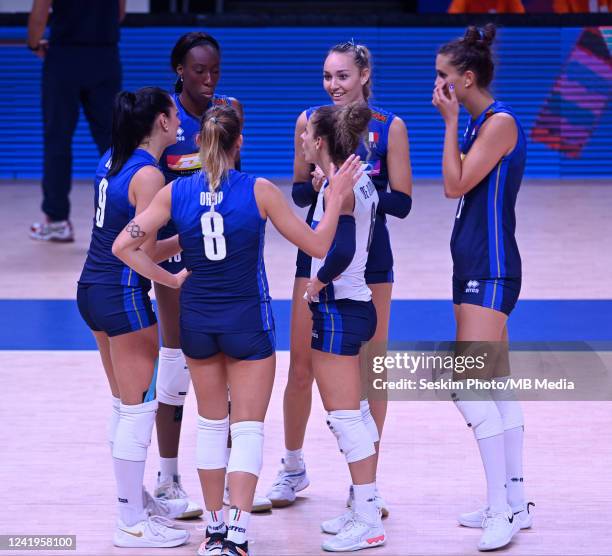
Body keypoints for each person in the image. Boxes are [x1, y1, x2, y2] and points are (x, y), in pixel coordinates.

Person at [112, 104, 362, 556]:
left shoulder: (175, 193)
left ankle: (212, 532)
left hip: (198, 325)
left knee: (211, 426)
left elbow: (122, 245)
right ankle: (239, 535)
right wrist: (338, 197)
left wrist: (168, 278)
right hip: (247, 323)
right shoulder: (260, 190)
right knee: (247, 429)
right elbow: (320, 244)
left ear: (200, 146)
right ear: (238, 143)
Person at [267, 41, 413, 526]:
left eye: (343, 76)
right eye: (328, 76)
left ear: (364, 75)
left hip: (372, 260)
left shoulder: (389, 127)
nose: (334, 85)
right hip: (319, 252)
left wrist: (355, 187)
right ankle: (292, 467)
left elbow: (404, 202)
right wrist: (320, 185)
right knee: (301, 365)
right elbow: (297, 191)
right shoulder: (309, 121)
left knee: (371, 369)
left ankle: (363, 485)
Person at [152, 30, 271, 519]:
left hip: (220, 263)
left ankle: (224, 483)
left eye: (214, 70)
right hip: (178, 262)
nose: (208, 79)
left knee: (223, 377)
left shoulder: (223, 117)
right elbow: (151, 190)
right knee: (178, 366)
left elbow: (234, 186)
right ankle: (166, 477)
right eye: (199, 70)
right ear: (180, 69)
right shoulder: (166, 122)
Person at [432, 24, 534, 551]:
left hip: (490, 269)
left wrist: (449, 123)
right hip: (472, 263)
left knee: (465, 384)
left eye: (443, 78)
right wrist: (456, 123)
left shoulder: (498, 123)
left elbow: (453, 183)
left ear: (466, 79)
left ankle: (503, 510)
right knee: (496, 385)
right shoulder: (477, 124)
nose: (437, 87)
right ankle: (514, 501)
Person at [77, 87, 190, 548]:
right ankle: (130, 522)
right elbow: (138, 251)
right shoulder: (148, 175)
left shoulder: (112, 158)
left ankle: (133, 502)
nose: (180, 116)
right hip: (122, 296)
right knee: (140, 409)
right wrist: (173, 274)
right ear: (161, 122)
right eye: (174, 111)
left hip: (91, 289)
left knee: (126, 407)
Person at [301, 102, 386, 552]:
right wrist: (327, 190)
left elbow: (341, 249)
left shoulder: (343, 187)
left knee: (344, 418)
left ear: (320, 142)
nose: (300, 140)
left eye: (305, 134)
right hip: (356, 305)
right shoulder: (352, 180)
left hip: (338, 308)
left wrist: (314, 284)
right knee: (355, 414)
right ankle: (361, 507)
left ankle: (369, 518)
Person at [28, 0, 124, 242]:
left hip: (64, 56)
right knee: (113, 139)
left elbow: (40, 11)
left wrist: (33, 43)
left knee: (58, 139)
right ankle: (125, 215)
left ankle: (57, 221)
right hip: (105, 56)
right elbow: (120, 12)